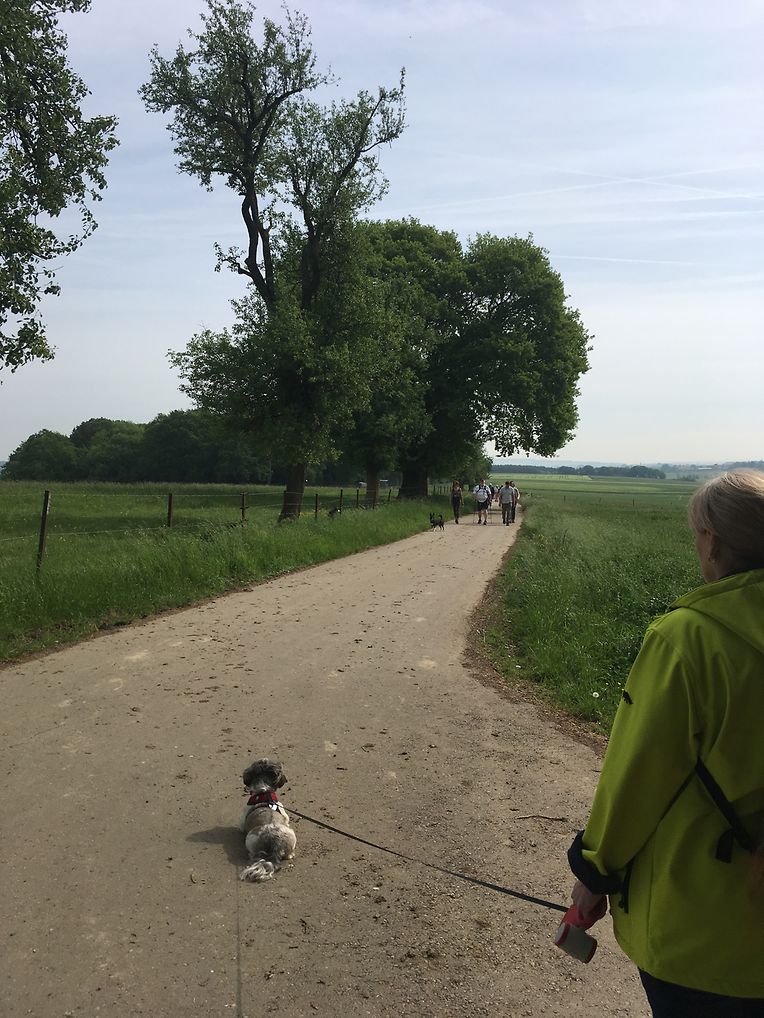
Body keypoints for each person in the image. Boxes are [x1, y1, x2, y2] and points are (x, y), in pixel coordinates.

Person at [566, 470, 764, 1017]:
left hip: (704, 935)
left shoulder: (688, 640)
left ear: (713, 541)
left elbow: (637, 776)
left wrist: (593, 875)